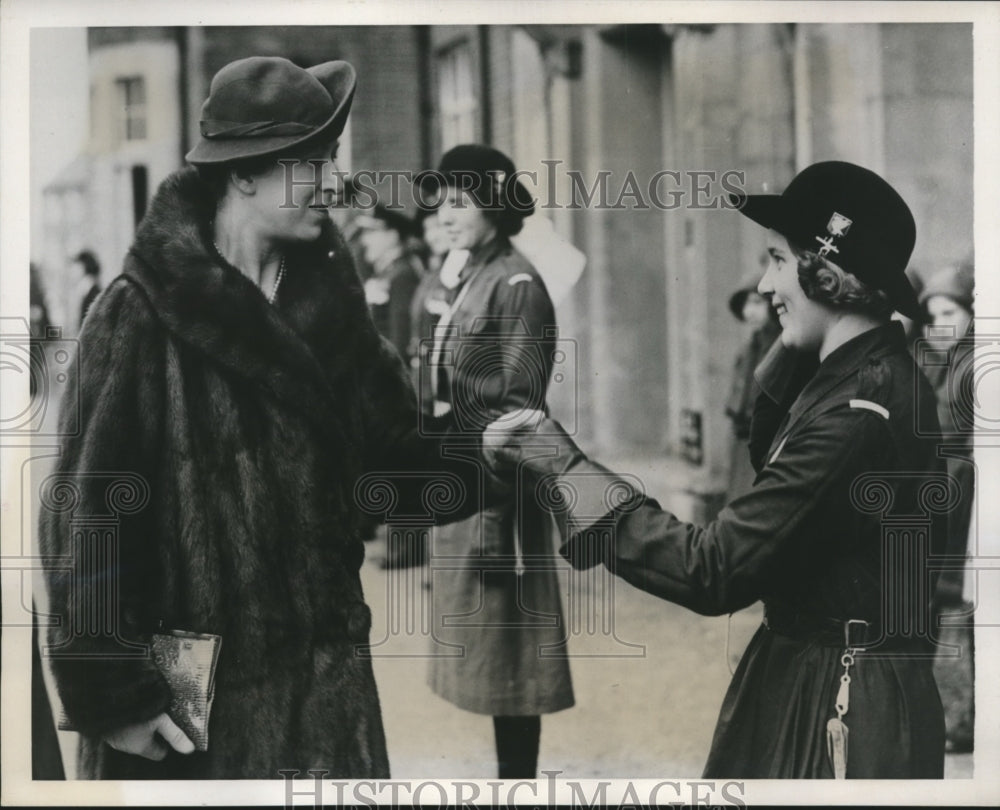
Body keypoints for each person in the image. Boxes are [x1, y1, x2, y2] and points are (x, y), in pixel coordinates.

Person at [39, 56, 483, 780]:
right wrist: (113, 693)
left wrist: (483, 446)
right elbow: (87, 517)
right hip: (187, 721)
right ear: (244, 174)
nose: (336, 183)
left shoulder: (333, 310)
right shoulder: (141, 311)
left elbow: (393, 475)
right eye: (314, 162)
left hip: (328, 709)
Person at [486, 161, 947, 778]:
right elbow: (772, 467)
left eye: (778, 261)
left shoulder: (856, 413)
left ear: (830, 276)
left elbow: (714, 568)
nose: (763, 285)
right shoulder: (861, 378)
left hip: (841, 701)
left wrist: (561, 465)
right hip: (828, 675)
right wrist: (795, 341)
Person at [420, 144, 574, 779]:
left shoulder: (516, 284)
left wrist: (489, 526)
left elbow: (514, 418)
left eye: (461, 201)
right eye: (442, 201)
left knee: (512, 658)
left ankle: (520, 785)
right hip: (466, 481)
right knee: (490, 654)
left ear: (494, 206)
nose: (445, 214)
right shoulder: (468, 275)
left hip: (497, 498)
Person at [919, 262, 975, 754]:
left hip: (966, 494)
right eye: (932, 313)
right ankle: (946, 717)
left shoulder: (974, 364)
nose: (939, 322)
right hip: (943, 491)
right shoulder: (940, 361)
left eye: (949, 311)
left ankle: (963, 721)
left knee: (960, 605)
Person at [724, 265, 780, 500]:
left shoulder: (782, 347)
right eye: (747, 304)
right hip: (742, 443)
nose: (750, 312)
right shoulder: (748, 350)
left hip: (767, 444)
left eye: (757, 303)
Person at [357, 204, 423, 362]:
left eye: (371, 232)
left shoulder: (403, 275)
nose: (364, 240)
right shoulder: (385, 272)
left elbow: (399, 342)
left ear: (393, 235)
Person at [74, 249, 102, 327]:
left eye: (76, 267)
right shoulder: (84, 291)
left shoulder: (96, 294)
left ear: (84, 267)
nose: (73, 271)